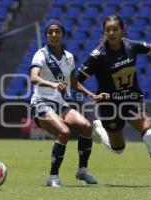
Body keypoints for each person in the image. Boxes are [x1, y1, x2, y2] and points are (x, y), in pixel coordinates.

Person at [76, 15, 151, 187]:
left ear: (122, 30)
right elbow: (76, 80)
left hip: (131, 100)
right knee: (118, 149)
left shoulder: (131, 46)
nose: (111, 33)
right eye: (107, 30)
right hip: (109, 106)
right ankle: (99, 129)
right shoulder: (98, 55)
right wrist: (92, 95)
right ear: (104, 32)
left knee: (148, 132)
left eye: (115, 29)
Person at [30, 19, 102, 187]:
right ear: (46, 35)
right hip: (41, 102)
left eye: (57, 31)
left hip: (61, 103)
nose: (53, 35)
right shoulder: (41, 54)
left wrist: (91, 94)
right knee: (64, 132)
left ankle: (82, 170)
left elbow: (74, 82)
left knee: (85, 126)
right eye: (50, 32)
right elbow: (34, 77)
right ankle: (53, 177)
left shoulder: (69, 57)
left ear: (63, 34)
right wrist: (53, 84)